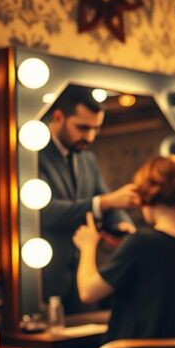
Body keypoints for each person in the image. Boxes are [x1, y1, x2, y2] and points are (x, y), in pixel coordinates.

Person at [72, 155, 175, 342]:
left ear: (146, 196)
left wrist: (87, 246)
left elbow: (88, 292)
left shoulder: (141, 243)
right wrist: (127, 249)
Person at [39, 86, 139, 313]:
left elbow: (107, 200)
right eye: (83, 128)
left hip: (85, 275)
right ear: (58, 117)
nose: (90, 137)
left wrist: (120, 224)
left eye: (96, 129)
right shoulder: (32, 153)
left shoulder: (88, 160)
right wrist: (105, 202)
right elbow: (42, 211)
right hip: (45, 277)